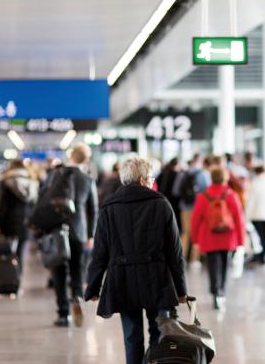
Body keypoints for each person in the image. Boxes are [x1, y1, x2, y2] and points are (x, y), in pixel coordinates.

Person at [84, 157, 186, 364]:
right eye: (150, 178)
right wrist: (181, 289)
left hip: (123, 279)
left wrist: (93, 286)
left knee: (132, 337)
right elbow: (174, 251)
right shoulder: (161, 204)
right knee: (160, 333)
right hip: (156, 278)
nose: (152, 182)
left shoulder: (109, 208)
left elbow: (100, 252)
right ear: (142, 179)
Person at [50, 144, 99, 328]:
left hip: (57, 229)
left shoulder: (56, 174)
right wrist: (90, 235)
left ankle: (63, 313)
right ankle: (77, 297)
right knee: (77, 270)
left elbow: (44, 199)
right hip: (78, 230)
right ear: (86, 159)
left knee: (59, 270)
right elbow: (93, 209)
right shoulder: (87, 179)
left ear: (70, 156)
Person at [191, 167, 245, 309]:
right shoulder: (231, 195)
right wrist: (241, 241)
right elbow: (239, 219)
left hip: (209, 237)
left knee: (212, 266)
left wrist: (195, 239)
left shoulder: (203, 196)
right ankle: (221, 292)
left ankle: (215, 293)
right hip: (228, 237)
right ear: (225, 178)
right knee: (224, 265)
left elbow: (195, 219)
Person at [0, 159, 38, 272]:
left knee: (9, 252)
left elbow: (3, 206)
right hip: (25, 221)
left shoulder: (7, 182)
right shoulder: (32, 182)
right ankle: (19, 279)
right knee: (20, 252)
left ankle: (11, 281)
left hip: (9, 221)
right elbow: (34, 205)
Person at [172, 154, 209, 262]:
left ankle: (181, 257)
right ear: (200, 162)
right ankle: (195, 260)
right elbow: (207, 192)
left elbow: (175, 192)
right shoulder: (203, 174)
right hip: (198, 208)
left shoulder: (182, 174)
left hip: (184, 207)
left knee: (185, 232)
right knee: (196, 232)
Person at [156, 158, 182, 229]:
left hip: (163, 199)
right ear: (176, 165)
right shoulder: (178, 175)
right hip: (175, 201)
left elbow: (157, 185)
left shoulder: (162, 173)